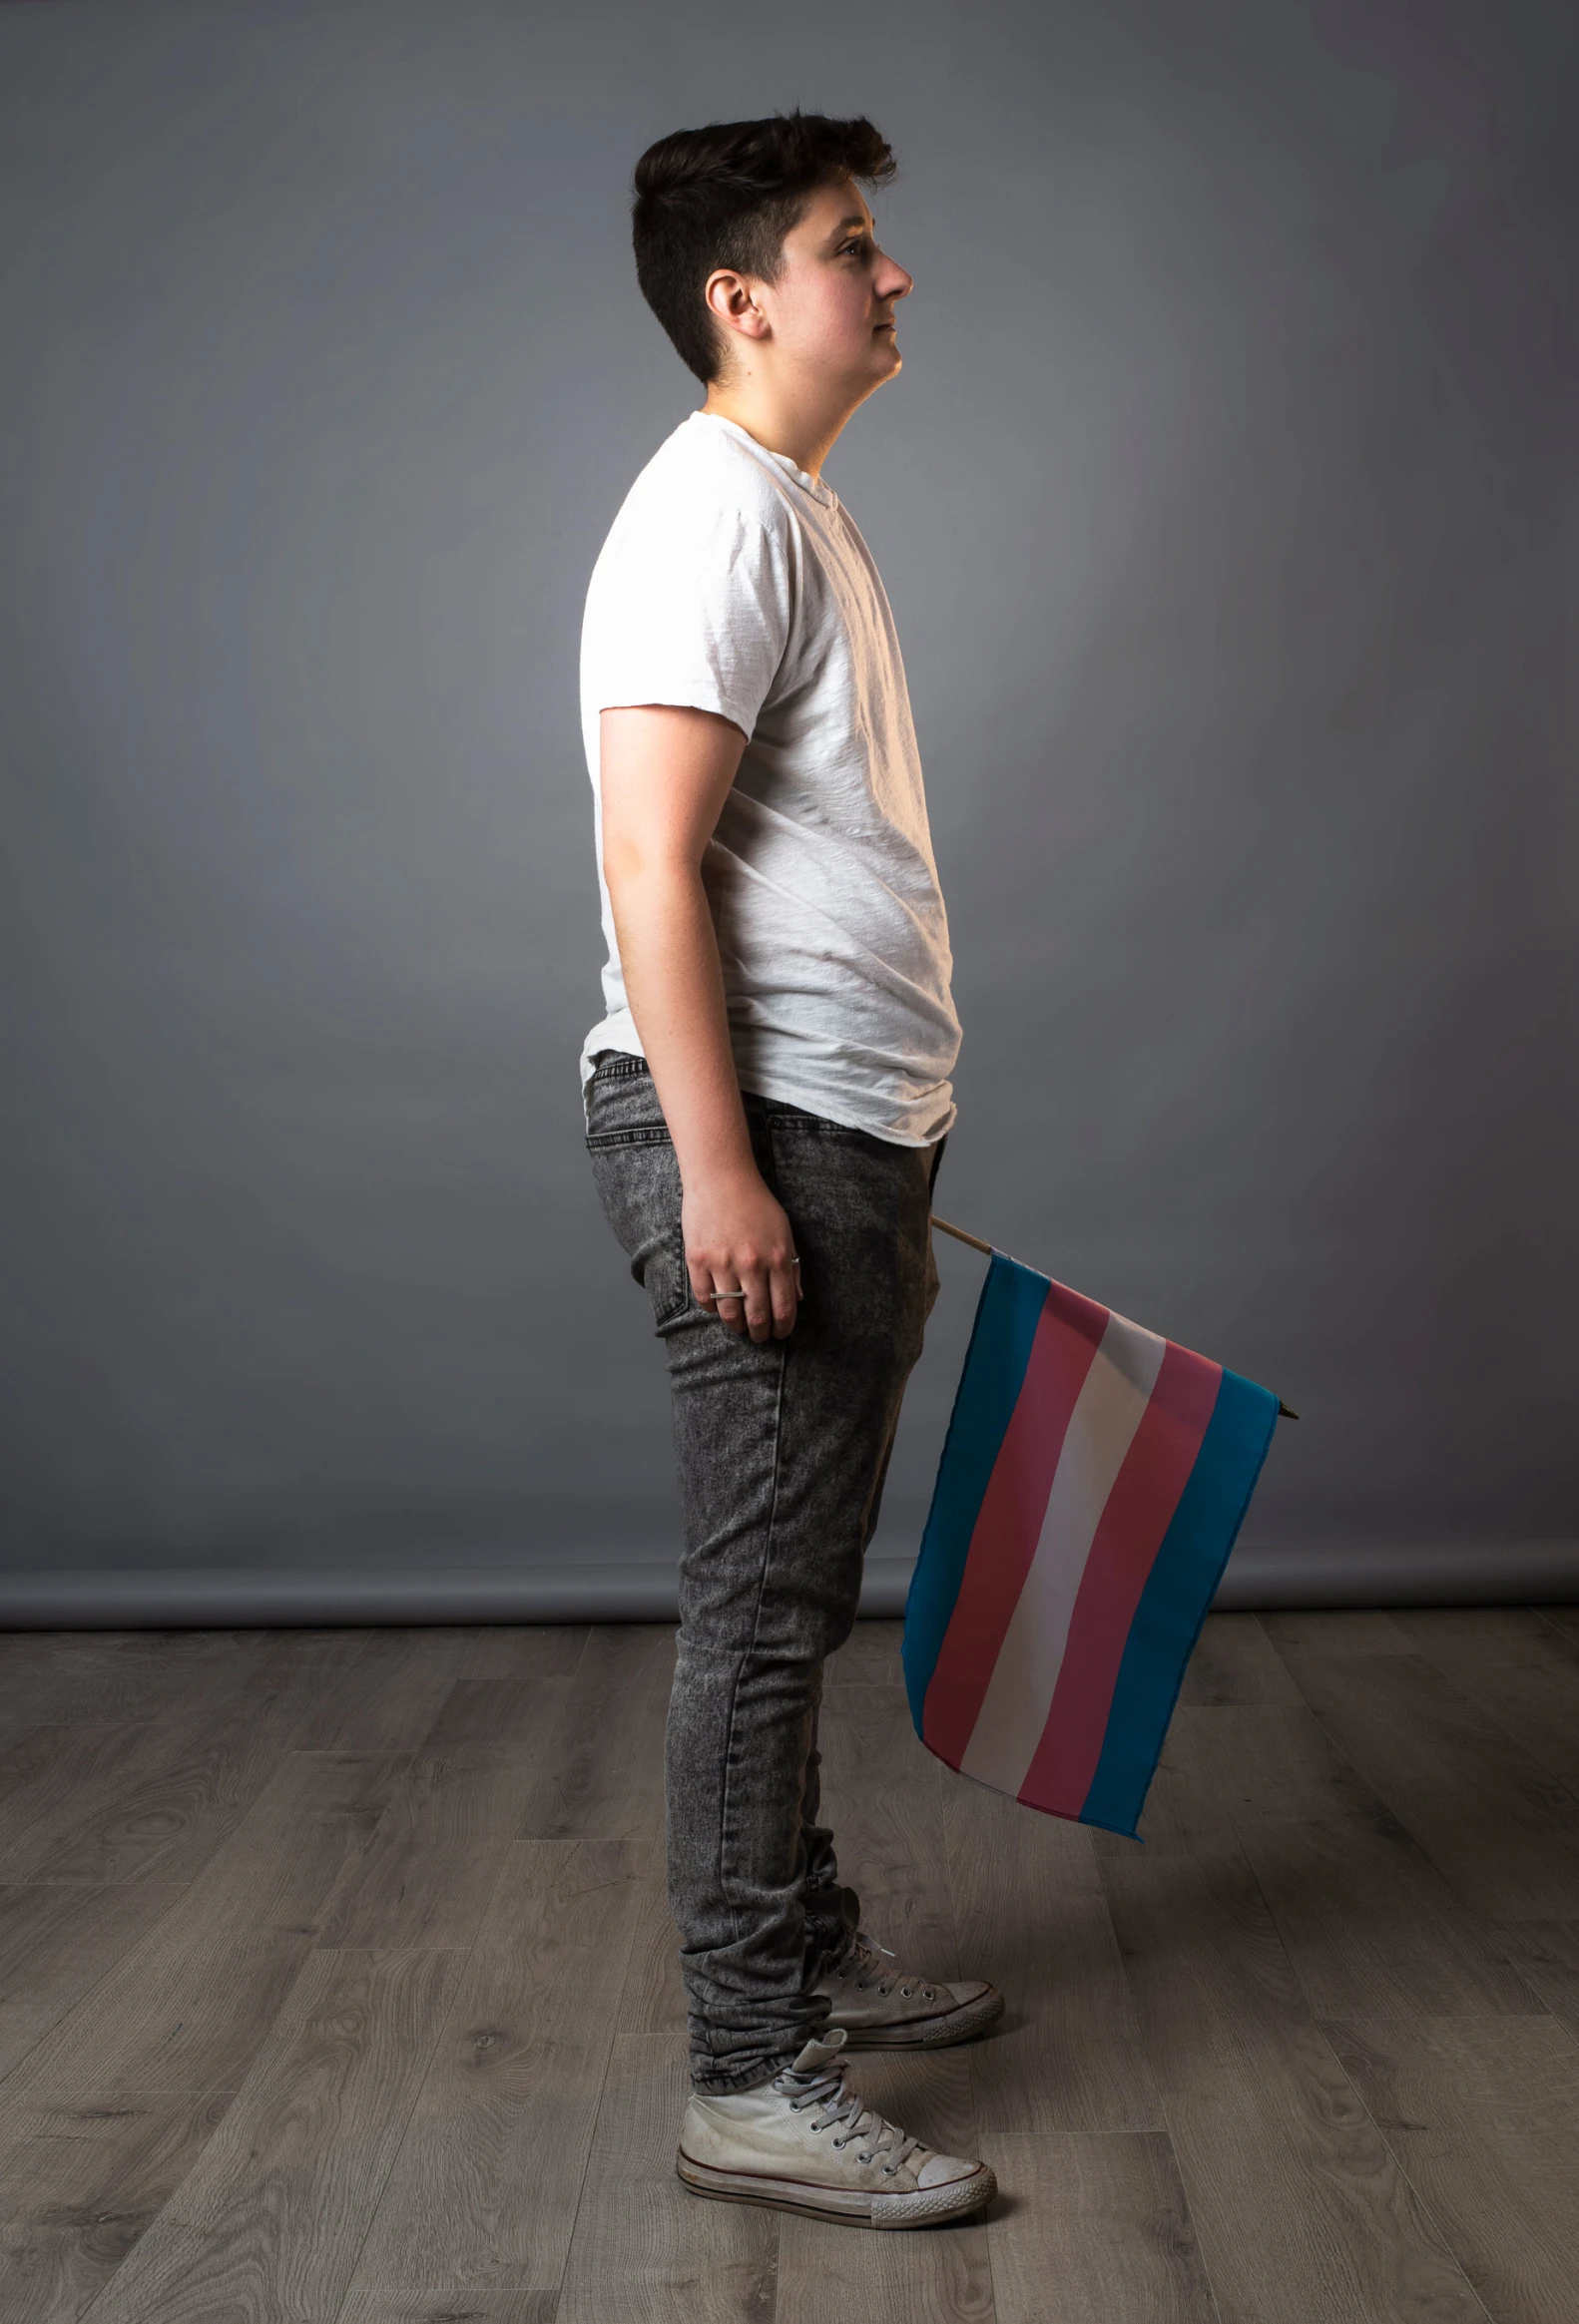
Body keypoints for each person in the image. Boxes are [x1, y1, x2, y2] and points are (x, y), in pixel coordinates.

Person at [578, 111, 1001, 2230]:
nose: (891, 276)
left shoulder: (787, 511)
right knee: (755, 1617)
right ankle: (747, 2073)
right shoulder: (710, 514)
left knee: (796, 1595)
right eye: (853, 248)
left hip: (840, 1130)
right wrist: (727, 1172)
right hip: (760, 1136)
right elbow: (646, 858)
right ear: (744, 301)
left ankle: (807, 1949)